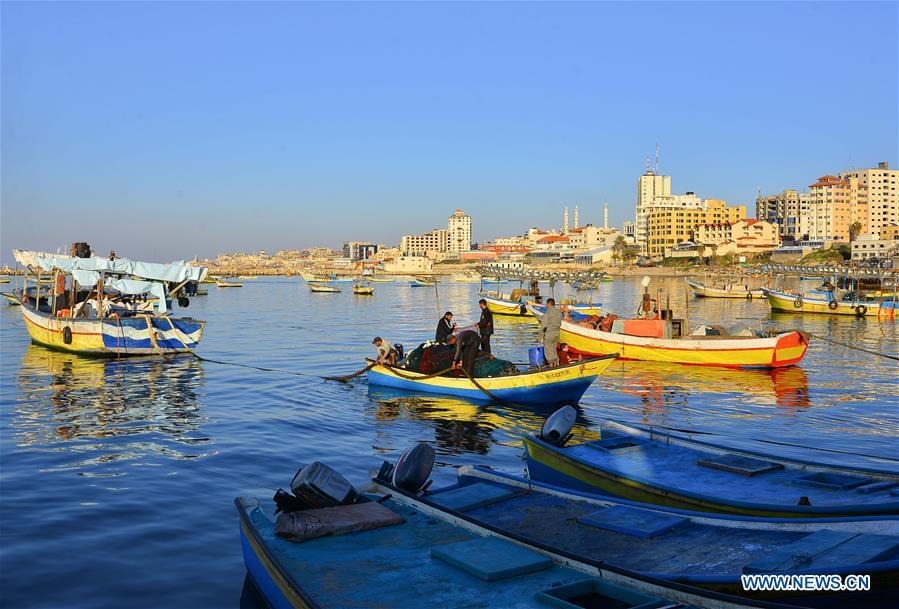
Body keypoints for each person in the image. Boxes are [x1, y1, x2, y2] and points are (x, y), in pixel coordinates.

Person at [540, 298, 563, 367]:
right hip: (557, 334)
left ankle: (551, 365)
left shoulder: (547, 314)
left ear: (549, 304)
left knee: (548, 350)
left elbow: (543, 327)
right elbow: (560, 323)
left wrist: (539, 337)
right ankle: (555, 364)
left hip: (549, 333)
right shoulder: (559, 313)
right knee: (553, 349)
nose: (546, 305)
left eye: (546, 304)